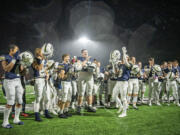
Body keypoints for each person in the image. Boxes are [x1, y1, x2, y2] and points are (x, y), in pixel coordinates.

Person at [1, 44, 24, 128]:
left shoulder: (18, 58)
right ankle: (5, 122)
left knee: (20, 101)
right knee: (10, 101)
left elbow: (21, 71)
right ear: (11, 50)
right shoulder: (4, 57)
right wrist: (14, 59)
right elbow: (6, 69)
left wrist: (23, 63)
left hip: (18, 80)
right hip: (9, 81)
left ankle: (16, 119)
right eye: (16, 50)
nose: (18, 52)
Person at [32, 48, 53, 122]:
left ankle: (46, 112)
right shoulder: (34, 60)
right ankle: (36, 115)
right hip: (38, 79)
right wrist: (43, 61)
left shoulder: (44, 60)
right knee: (38, 98)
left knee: (47, 97)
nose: (43, 53)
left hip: (45, 80)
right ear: (38, 52)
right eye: (42, 52)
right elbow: (39, 68)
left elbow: (45, 69)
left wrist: (47, 74)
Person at [76, 49, 97, 114]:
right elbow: (79, 66)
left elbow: (94, 67)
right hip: (82, 75)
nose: (86, 53)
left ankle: (89, 106)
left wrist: (93, 69)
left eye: (87, 52)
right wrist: (86, 60)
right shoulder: (79, 58)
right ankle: (79, 106)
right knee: (81, 92)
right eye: (84, 52)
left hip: (90, 76)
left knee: (90, 92)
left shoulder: (91, 59)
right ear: (82, 53)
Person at [57, 54, 73, 118]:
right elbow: (62, 76)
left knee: (69, 97)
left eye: (69, 57)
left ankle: (66, 111)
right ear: (63, 58)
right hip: (64, 82)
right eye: (67, 57)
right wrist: (68, 73)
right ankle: (61, 112)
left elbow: (72, 74)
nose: (68, 58)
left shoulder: (69, 64)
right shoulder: (61, 65)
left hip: (69, 82)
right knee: (64, 98)